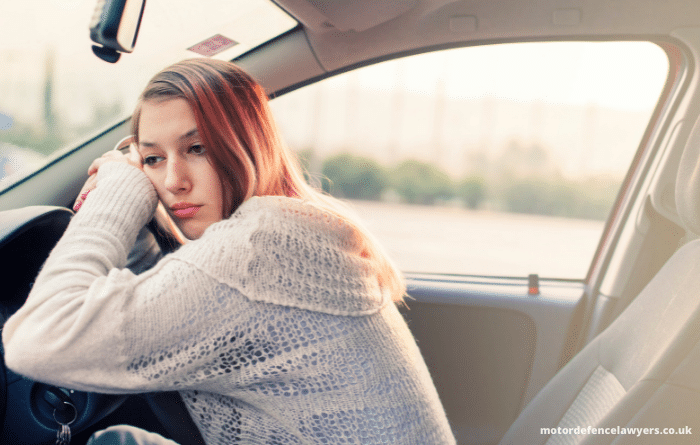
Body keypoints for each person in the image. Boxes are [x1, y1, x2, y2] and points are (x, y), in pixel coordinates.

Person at [2, 59, 456, 444]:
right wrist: (140, 226)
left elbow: (37, 345)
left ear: (247, 145)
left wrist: (117, 194)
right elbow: (183, 294)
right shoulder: (293, 229)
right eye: (153, 159)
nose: (173, 181)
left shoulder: (256, 251)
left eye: (197, 148)